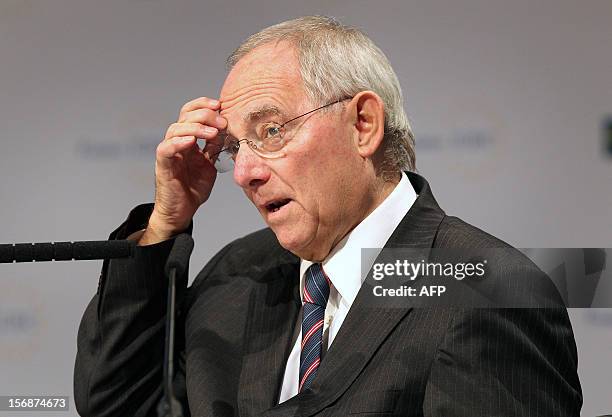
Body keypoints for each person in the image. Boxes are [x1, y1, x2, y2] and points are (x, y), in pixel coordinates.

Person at [74, 16, 582, 417]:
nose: (243, 172)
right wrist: (165, 223)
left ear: (363, 124)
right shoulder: (239, 274)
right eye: (234, 148)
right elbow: (118, 403)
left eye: (271, 131)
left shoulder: (489, 289)